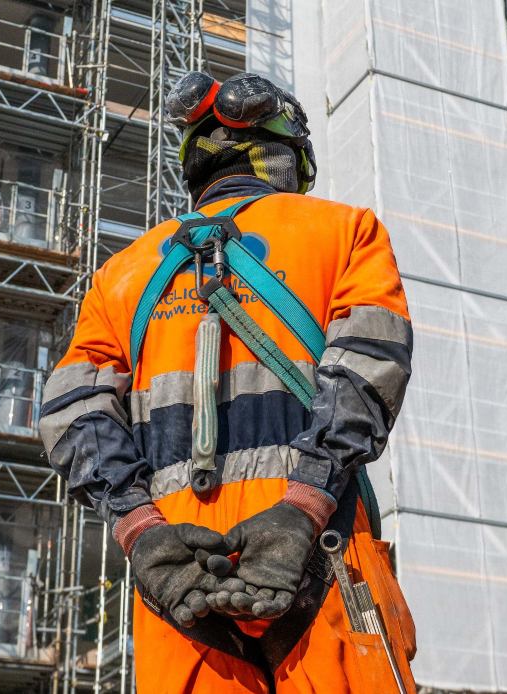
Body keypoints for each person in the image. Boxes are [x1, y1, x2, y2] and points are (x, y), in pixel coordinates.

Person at [39, 71, 416, 693]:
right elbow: (369, 368)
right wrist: (304, 506)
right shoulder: (346, 231)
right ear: (287, 157)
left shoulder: (122, 275)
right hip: (317, 548)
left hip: (181, 577)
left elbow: (72, 412)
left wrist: (142, 531)